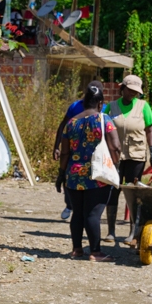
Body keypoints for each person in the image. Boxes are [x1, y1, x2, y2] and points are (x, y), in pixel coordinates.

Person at [62, 81, 120, 261]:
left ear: (84, 101)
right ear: (101, 103)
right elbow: (115, 147)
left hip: (73, 175)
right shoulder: (104, 120)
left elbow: (64, 152)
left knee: (78, 213)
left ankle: (77, 249)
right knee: (93, 214)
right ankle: (95, 252)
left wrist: (61, 174)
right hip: (97, 175)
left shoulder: (71, 123)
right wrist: (115, 166)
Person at [105, 74, 152, 243]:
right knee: (113, 191)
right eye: (130, 90)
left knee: (133, 193)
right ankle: (111, 231)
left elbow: (150, 130)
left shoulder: (143, 106)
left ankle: (132, 232)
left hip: (136, 156)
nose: (132, 94)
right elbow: (101, 125)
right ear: (122, 88)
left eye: (136, 92)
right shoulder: (111, 107)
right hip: (114, 156)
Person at [52, 94, 87, 221]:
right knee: (68, 177)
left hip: (91, 153)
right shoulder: (75, 106)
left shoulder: (104, 110)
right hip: (73, 149)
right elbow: (63, 126)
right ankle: (69, 204)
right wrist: (57, 146)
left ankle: (85, 210)